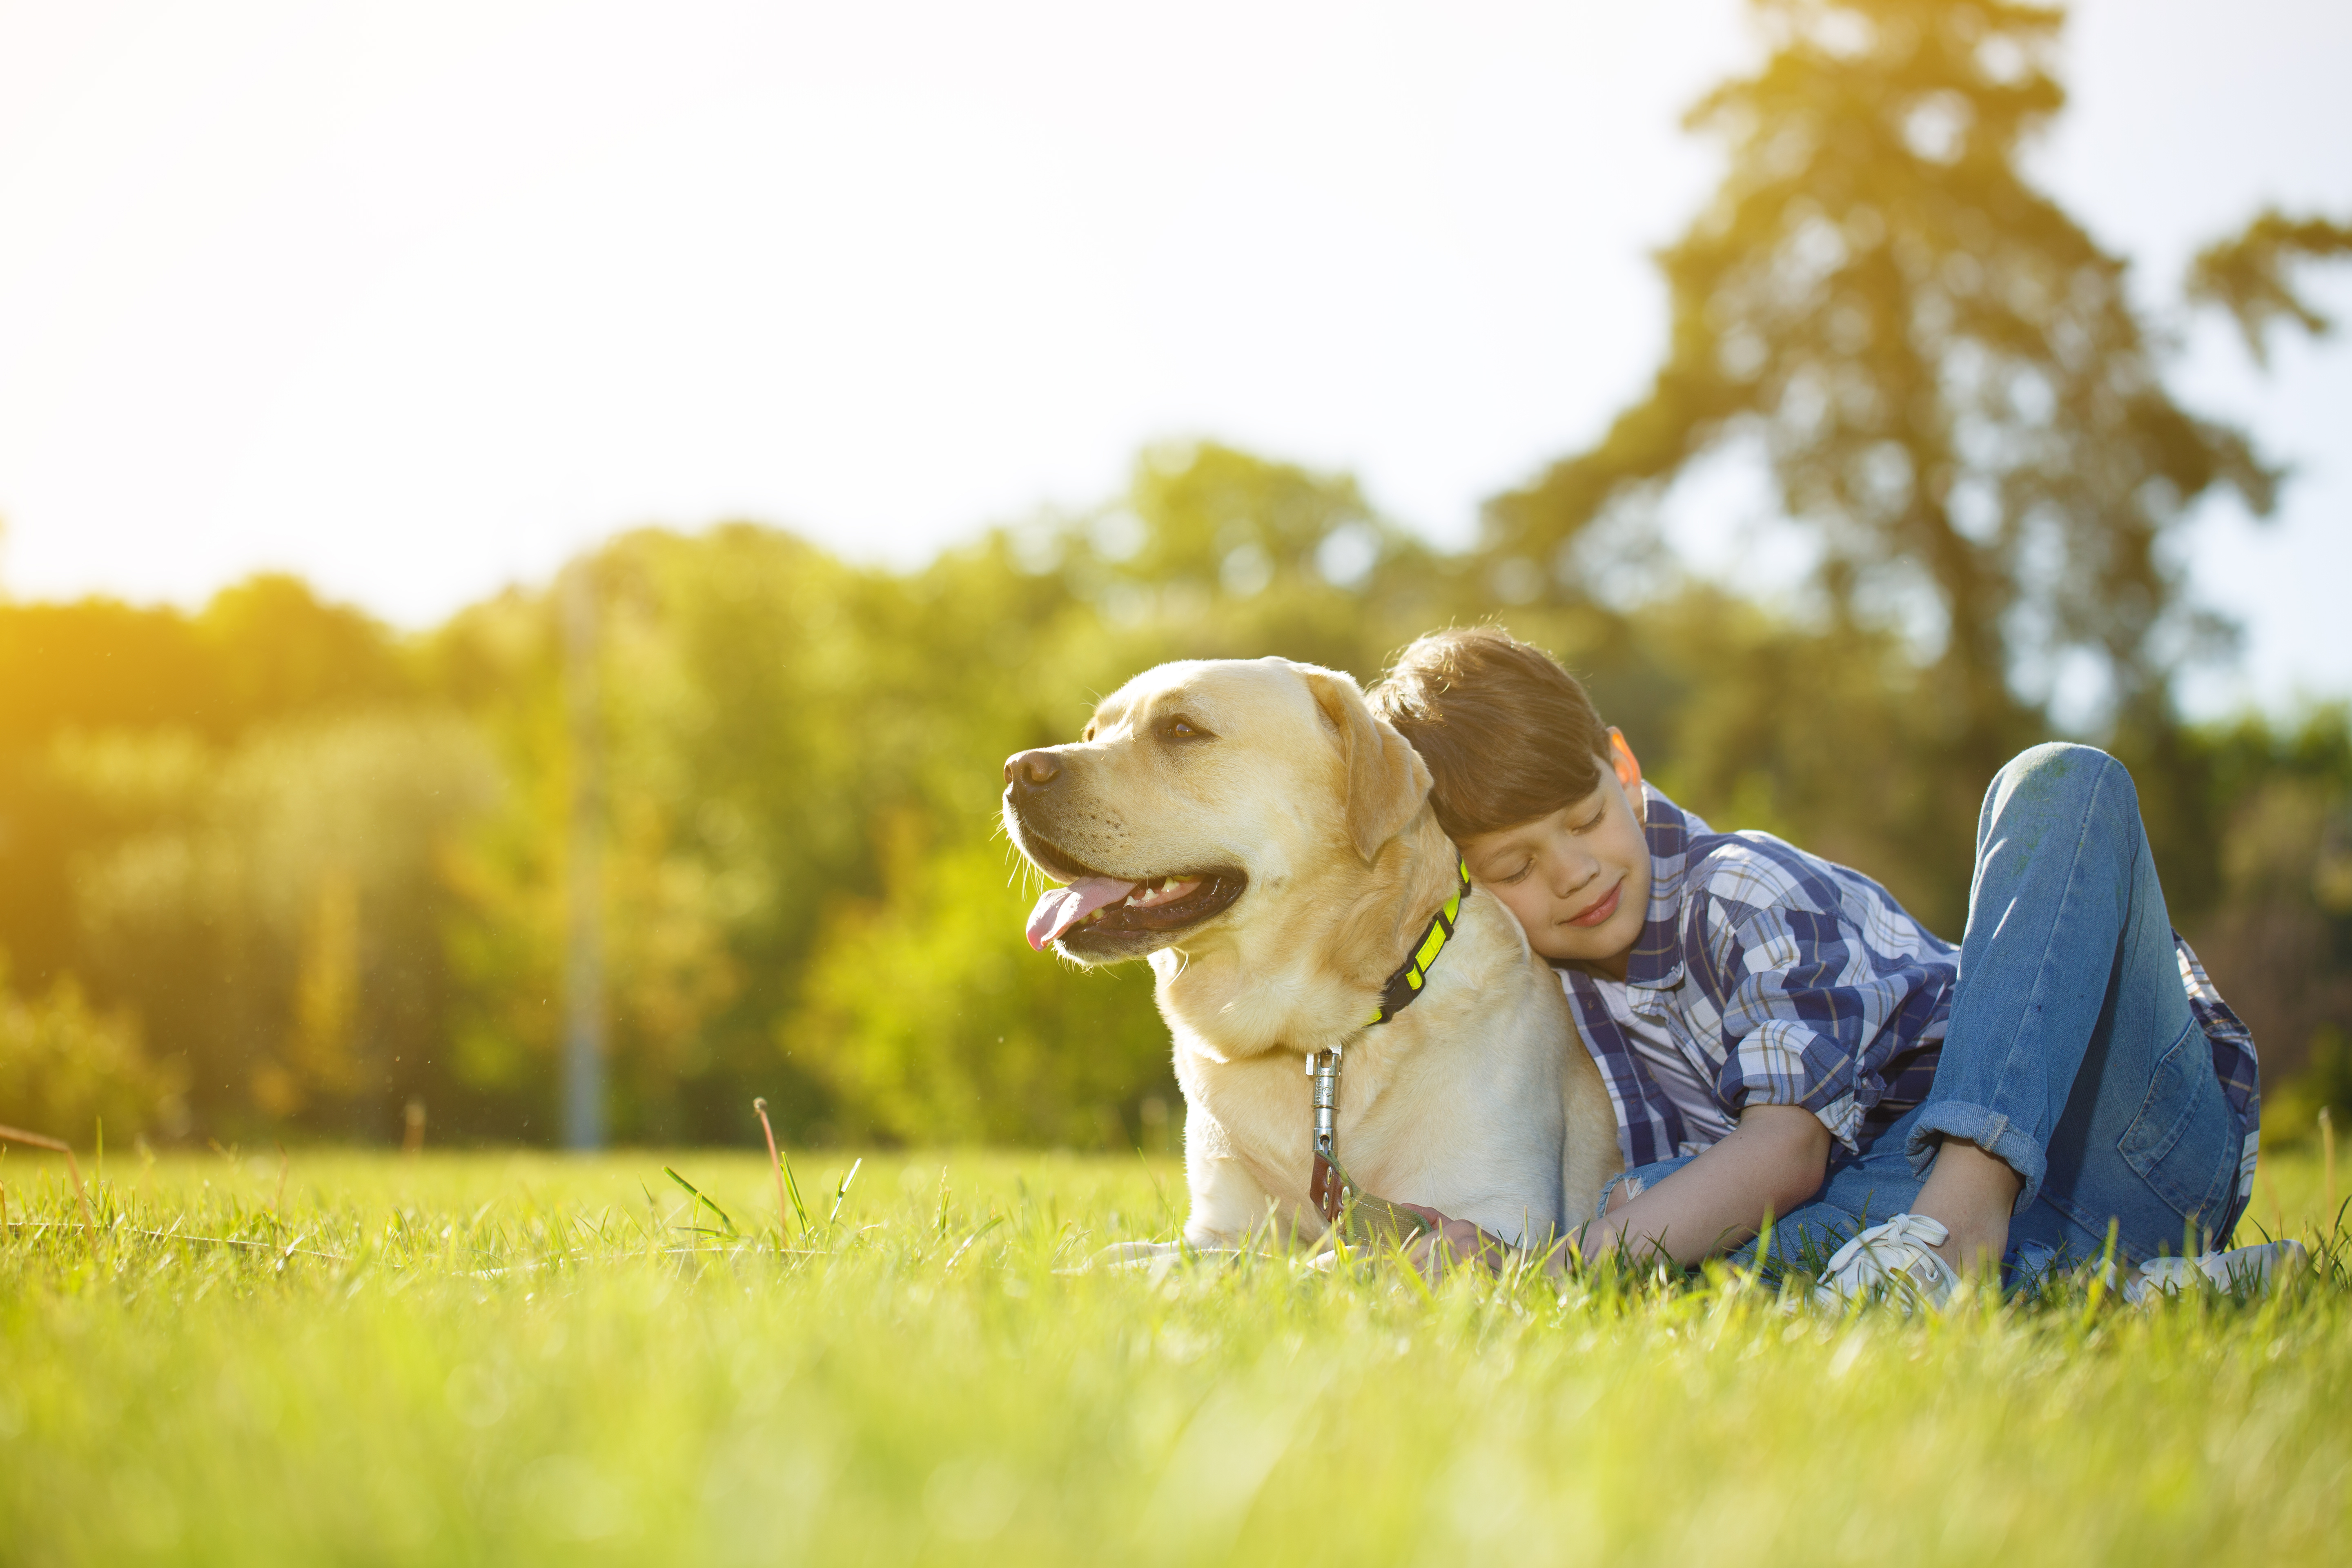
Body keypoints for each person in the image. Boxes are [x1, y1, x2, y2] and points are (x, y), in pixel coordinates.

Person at [1367, 626, 2276, 1305]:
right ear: (1465, 884)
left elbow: (1788, 1153)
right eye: (1518, 868)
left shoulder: (1740, 892)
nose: (1575, 874)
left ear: (1624, 767)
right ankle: (2105, 1290)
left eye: (1583, 819)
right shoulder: (1546, 995)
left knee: (2059, 780)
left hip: (2105, 1137)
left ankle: (1965, 1224)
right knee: (1661, 1215)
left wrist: (1564, 1270)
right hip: (1886, 1208)